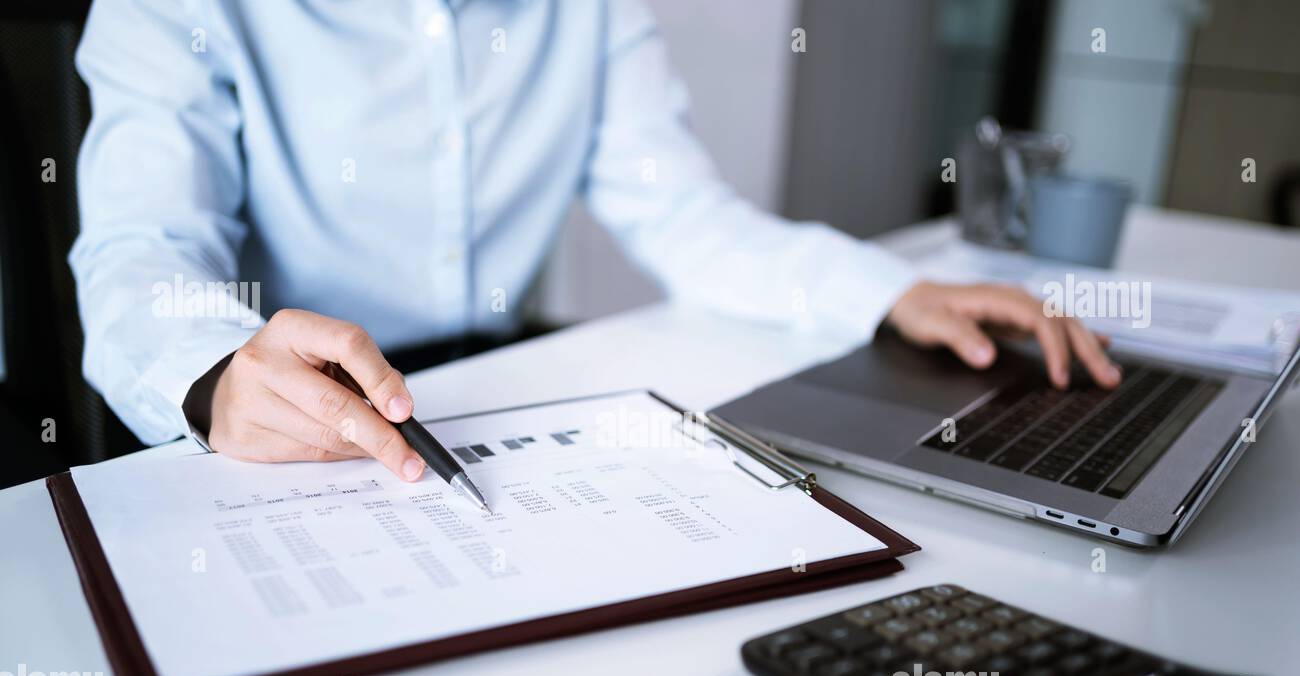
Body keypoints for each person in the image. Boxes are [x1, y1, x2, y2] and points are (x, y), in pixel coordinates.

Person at [70, 0, 1120, 483]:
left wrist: (889, 291)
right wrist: (211, 372)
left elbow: (683, 215)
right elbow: (137, 248)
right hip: (275, 417)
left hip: (487, 386)